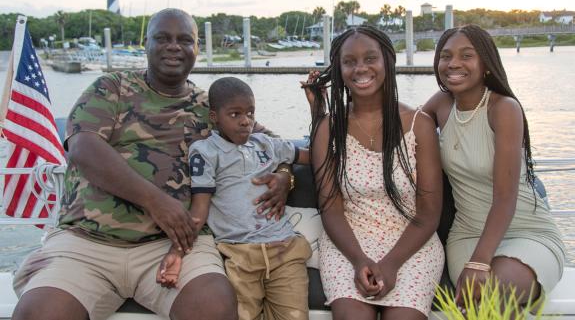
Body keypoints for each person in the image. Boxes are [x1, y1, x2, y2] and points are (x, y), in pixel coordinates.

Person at [11, 8, 293, 320]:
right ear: (146, 44)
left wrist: (283, 174)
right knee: (40, 312)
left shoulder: (212, 108)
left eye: (185, 40)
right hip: (88, 242)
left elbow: (272, 143)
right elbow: (84, 147)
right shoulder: (111, 88)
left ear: (197, 48)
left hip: (177, 243)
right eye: (163, 38)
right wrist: (155, 202)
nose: (174, 46)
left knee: (214, 305)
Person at [303, 25, 444, 319]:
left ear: (387, 62)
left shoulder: (420, 124)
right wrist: (358, 260)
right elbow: (331, 209)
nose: (360, 68)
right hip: (349, 244)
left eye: (370, 59)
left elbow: (429, 212)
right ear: (339, 68)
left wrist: (391, 263)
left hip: (411, 243)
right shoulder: (327, 129)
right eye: (349, 61)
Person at [422, 24, 565, 305]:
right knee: (481, 299)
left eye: (466, 56)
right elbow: (396, 130)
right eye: (445, 56)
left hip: (526, 231)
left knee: (494, 292)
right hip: (467, 234)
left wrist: (480, 262)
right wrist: (322, 115)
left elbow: (505, 197)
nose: (453, 64)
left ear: (486, 64)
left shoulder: (504, 108)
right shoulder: (440, 105)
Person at [157, 76, 312, 320]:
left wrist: (317, 108)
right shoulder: (206, 152)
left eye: (250, 113)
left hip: (284, 249)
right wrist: (177, 252)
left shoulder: (265, 144)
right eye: (235, 114)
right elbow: (199, 209)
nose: (245, 121)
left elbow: (313, 156)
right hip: (240, 254)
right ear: (214, 117)